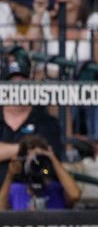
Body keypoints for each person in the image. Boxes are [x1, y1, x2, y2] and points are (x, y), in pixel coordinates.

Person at [0, 47, 63, 181]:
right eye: (12, 82)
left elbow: (49, 159)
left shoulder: (46, 121)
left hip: (32, 193)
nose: (18, 87)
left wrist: (7, 151)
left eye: (22, 81)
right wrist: (25, 148)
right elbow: (39, 149)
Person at [0, 134, 81, 210]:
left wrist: (51, 157)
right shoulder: (16, 191)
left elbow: (75, 195)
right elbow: (1, 209)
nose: (37, 166)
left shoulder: (56, 189)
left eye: (40, 162)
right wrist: (10, 175)